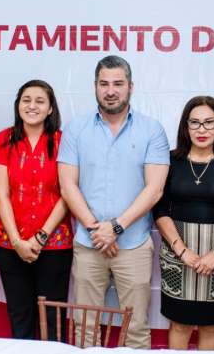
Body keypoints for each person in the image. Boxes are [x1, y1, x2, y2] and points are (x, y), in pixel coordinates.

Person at [57, 55, 170, 349]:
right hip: (88, 242)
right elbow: (68, 186)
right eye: (104, 84)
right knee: (85, 328)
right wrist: (97, 230)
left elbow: (155, 189)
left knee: (136, 329)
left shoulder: (152, 130)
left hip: (133, 244)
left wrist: (116, 228)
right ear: (95, 86)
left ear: (130, 86)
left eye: (118, 84)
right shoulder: (75, 129)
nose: (110, 91)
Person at [154, 96, 214, 350]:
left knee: (210, 324)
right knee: (179, 323)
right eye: (195, 123)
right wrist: (182, 251)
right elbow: (160, 208)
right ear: (185, 126)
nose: (202, 129)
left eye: (209, 122)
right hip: (178, 255)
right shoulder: (171, 160)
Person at [0, 80, 73, 340]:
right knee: (20, 315)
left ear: (50, 108)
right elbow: (1, 196)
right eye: (26, 100)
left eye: (39, 101)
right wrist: (17, 241)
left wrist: (41, 236)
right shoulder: (3, 140)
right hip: (10, 245)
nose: (32, 106)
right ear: (18, 105)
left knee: (53, 319)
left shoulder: (64, 141)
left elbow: (68, 193)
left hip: (55, 245)